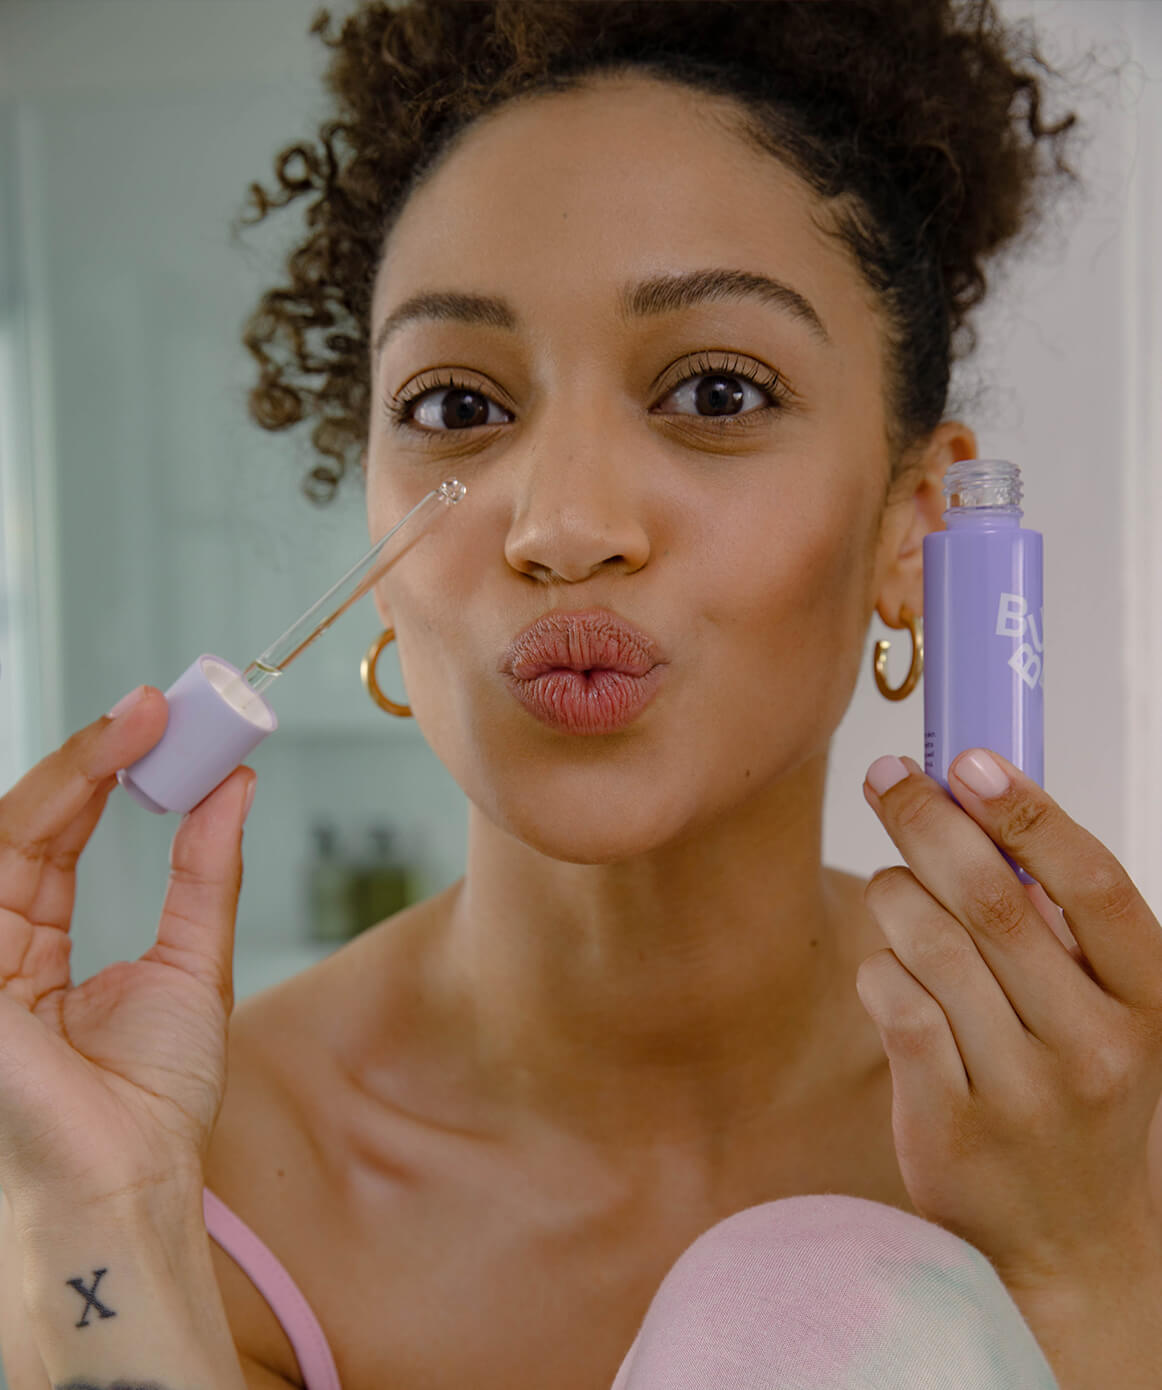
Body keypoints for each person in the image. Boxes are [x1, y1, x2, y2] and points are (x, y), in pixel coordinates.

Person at [3, 2, 1161, 1387]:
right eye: (454, 406)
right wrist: (98, 1223)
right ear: (377, 550)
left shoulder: (1107, 1132)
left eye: (716, 389)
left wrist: (1084, 1272)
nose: (555, 524)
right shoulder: (203, 1182)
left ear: (919, 526)